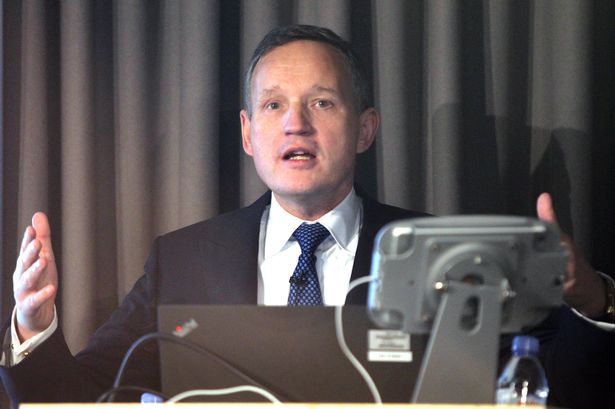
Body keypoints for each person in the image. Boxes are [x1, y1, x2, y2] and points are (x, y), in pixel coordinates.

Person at [1, 24, 614, 408]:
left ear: (365, 128)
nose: (295, 122)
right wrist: (34, 326)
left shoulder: (439, 253)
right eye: (273, 105)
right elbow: (76, 398)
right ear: (248, 134)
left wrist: (588, 298)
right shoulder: (183, 260)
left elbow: (558, 390)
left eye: (321, 101)